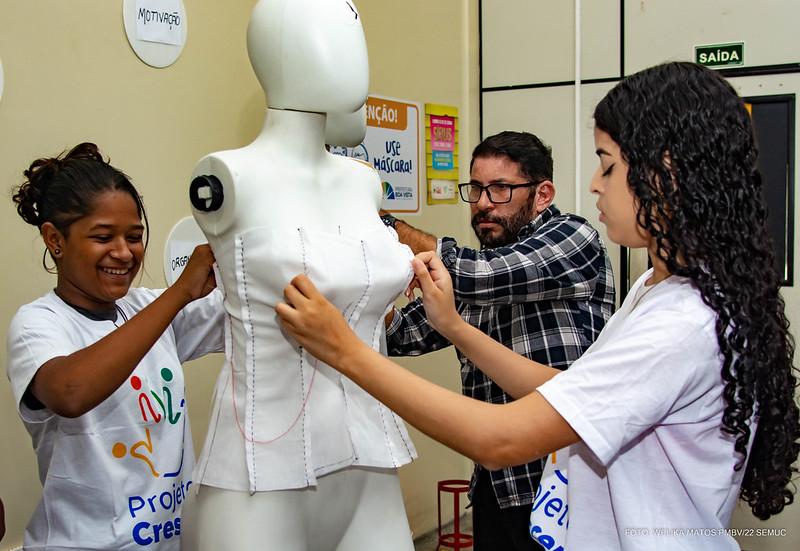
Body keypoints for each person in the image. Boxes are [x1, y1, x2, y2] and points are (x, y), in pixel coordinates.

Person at [276, 61, 800, 550]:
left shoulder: (676, 320)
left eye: (608, 166)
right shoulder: (655, 288)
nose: (595, 184)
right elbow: (564, 391)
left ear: (664, 173)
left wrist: (344, 349)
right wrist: (454, 327)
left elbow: (500, 438)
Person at [181, 1, 416, 549]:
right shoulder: (229, 176)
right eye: (331, 34)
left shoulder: (362, 183)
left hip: (369, 466)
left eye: (354, 33)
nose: (353, 55)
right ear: (274, 52)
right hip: (260, 480)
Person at [380, 130, 615, 550]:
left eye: (501, 189)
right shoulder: (482, 269)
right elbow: (403, 335)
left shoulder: (574, 238)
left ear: (543, 194)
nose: (484, 203)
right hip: (496, 483)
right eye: (476, 189)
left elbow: (483, 275)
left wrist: (383, 227)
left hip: (562, 484)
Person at [6, 142, 224, 550]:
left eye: (135, 236)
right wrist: (178, 294)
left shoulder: (147, 309)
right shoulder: (38, 324)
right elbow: (70, 392)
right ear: (55, 239)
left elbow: (256, 312)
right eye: (103, 237)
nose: (124, 253)